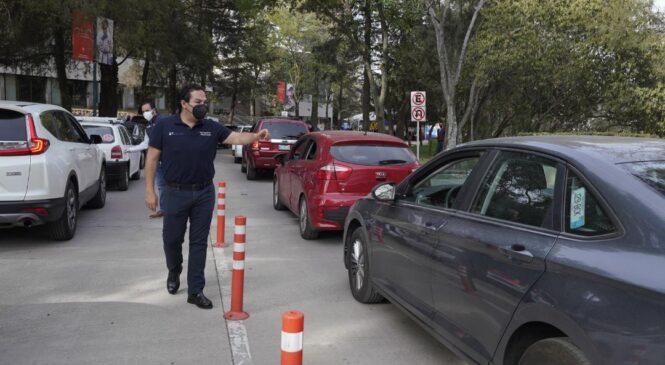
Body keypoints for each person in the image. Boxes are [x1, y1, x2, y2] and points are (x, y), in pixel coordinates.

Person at [144, 84, 270, 309]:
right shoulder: (164, 126)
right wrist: (149, 190)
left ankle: (195, 290)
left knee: (199, 243)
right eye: (197, 103)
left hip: (203, 193)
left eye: (204, 103)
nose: (203, 107)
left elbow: (236, 138)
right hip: (174, 193)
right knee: (171, 240)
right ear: (184, 104)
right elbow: (152, 159)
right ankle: (174, 271)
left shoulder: (211, 127)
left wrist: (256, 136)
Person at [137, 102, 166, 218]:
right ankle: (164, 210)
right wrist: (129, 149)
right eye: (143, 111)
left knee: (171, 186)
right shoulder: (148, 126)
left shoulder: (163, 121)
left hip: (168, 160)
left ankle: (173, 210)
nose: (145, 113)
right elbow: (145, 143)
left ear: (154, 110)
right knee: (161, 185)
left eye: (147, 110)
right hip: (157, 162)